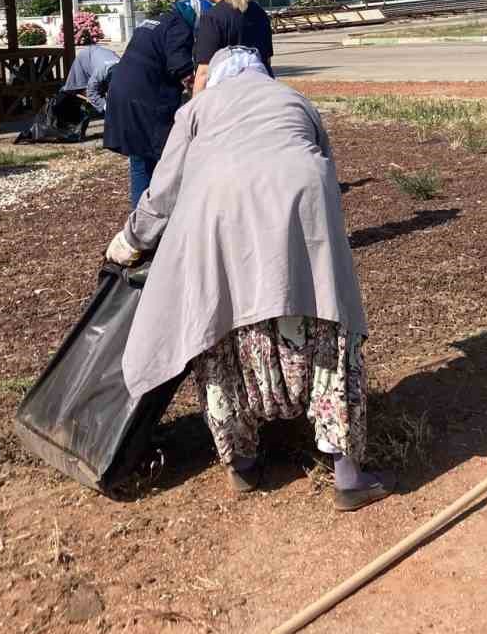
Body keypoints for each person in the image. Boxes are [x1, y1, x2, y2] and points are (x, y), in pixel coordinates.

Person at [106, 46, 393, 511]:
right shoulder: (294, 99)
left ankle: (243, 463)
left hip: (219, 210)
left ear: (217, 78)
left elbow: (162, 194)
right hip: (301, 201)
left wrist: (130, 240)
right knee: (323, 319)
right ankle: (347, 474)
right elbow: (327, 169)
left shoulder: (197, 108)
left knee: (218, 326)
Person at [103, 0, 197, 206]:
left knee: (139, 161)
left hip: (121, 94)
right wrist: (198, 93)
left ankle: (139, 223)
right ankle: (160, 220)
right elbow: (180, 66)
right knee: (163, 161)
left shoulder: (153, 22)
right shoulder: (179, 26)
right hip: (147, 100)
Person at [190, 0, 273, 93]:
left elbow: (203, 74)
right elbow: (266, 63)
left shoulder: (212, 18)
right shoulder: (258, 12)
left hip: (226, 100)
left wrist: (195, 111)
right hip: (259, 94)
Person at [60, 41, 118, 132]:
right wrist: (105, 106)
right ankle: (67, 120)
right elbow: (91, 91)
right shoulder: (100, 72)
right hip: (85, 58)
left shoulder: (125, 70)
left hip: (102, 56)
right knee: (76, 89)